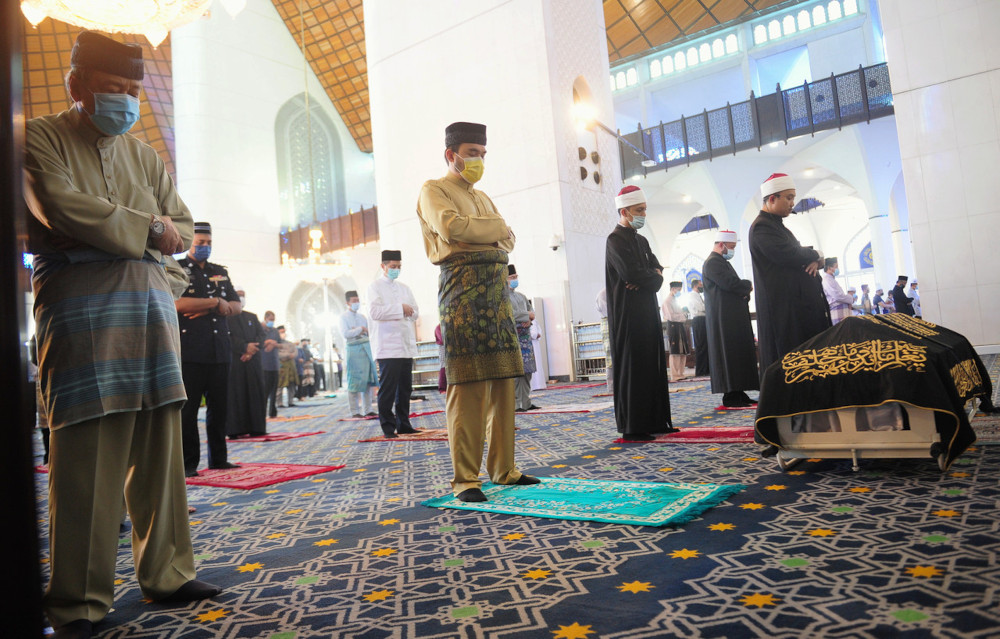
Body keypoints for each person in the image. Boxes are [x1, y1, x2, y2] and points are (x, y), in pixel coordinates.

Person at [24, 31, 219, 637]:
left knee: (160, 449)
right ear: (77, 87)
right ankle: (79, 601)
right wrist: (149, 231)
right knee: (87, 457)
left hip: (150, 310)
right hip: (81, 310)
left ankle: (167, 572)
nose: (127, 102)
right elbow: (62, 206)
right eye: (114, 90)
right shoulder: (39, 137)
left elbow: (181, 229)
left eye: (134, 91)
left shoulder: (146, 156)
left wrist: (160, 262)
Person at [416, 121, 539, 502]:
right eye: (472, 153)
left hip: (497, 296)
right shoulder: (433, 190)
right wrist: (495, 228)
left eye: (483, 154)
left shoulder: (484, 198)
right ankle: (465, 479)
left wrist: (487, 228)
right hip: (462, 297)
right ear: (451, 155)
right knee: (467, 388)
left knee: (503, 384)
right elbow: (451, 228)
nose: (479, 160)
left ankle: (503, 469)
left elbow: (510, 240)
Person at [605, 185, 676, 441]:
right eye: (639, 210)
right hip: (628, 315)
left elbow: (656, 269)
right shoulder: (615, 240)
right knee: (635, 367)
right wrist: (648, 276)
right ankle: (633, 427)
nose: (643, 214)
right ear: (624, 211)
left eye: (644, 209)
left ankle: (656, 420)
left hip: (647, 310)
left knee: (652, 364)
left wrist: (651, 277)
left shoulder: (641, 240)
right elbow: (630, 273)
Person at [176, 221, 242, 477]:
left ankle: (219, 459)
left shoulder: (219, 271)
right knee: (189, 411)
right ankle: (188, 463)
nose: (205, 247)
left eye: (209, 243)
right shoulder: (178, 268)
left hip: (219, 350)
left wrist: (206, 306)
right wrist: (215, 302)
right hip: (191, 351)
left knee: (220, 408)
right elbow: (179, 304)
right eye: (200, 243)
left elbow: (236, 306)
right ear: (189, 242)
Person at [748, 173, 831, 376]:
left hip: (795, 308)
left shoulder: (777, 226)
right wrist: (817, 254)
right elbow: (790, 254)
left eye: (793, 197)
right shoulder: (761, 227)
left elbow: (798, 254)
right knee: (788, 363)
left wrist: (813, 259)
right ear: (772, 198)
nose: (792, 203)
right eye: (788, 197)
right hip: (782, 311)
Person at [367, 249, 421, 438]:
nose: (396, 270)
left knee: (405, 389)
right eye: (392, 267)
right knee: (388, 390)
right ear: (383, 266)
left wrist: (408, 310)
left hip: (405, 345)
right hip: (387, 346)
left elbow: (415, 312)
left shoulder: (405, 288)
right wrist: (400, 309)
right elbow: (375, 313)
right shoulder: (374, 287)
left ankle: (404, 424)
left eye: (398, 267)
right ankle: (388, 427)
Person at [702, 230, 759, 408]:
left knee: (737, 355)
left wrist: (743, 290)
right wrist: (747, 285)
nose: (732, 251)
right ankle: (731, 395)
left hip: (731, 317)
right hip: (723, 319)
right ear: (721, 245)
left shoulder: (721, 262)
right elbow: (730, 284)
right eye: (731, 247)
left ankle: (739, 392)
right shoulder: (713, 263)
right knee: (729, 355)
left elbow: (733, 286)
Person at [226, 287, 267, 439]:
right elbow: (228, 338)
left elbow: (261, 336)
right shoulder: (225, 318)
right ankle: (236, 429)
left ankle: (257, 427)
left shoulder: (252, 317)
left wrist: (251, 350)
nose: (241, 298)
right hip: (236, 363)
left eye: (243, 295)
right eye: (238, 296)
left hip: (253, 362)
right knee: (236, 395)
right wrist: (244, 348)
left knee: (256, 394)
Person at [339, 290, 378, 417]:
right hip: (353, 351)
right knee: (354, 381)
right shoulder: (343, 317)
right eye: (354, 301)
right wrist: (360, 329)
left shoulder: (362, 317)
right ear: (348, 303)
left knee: (367, 380)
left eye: (358, 300)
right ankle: (354, 411)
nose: (357, 303)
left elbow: (369, 332)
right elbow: (346, 334)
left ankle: (368, 409)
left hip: (366, 349)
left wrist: (357, 331)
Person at [508, 264, 539, 411]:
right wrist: (527, 316)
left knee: (527, 372)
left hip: (525, 339)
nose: (514, 280)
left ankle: (526, 403)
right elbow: (511, 314)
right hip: (513, 340)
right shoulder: (503, 297)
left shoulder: (521, 296)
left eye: (516, 277)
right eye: (512, 278)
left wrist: (529, 317)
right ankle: (516, 404)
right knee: (516, 373)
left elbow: (530, 310)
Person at [662, 281, 690, 381]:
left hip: (680, 326)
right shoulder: (667, 301)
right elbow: (671, 316)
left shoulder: (676, 300)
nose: (679, 292)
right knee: (675, 351)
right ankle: (674, 375)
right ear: (673, 289)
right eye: (678, 290)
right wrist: (683, 316)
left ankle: (681, 373)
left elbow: (682, 313)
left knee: (683, 351)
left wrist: (684, 314)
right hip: (674, 327)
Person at [821, 257, 856, 325]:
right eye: (836, 266)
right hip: (837, 310)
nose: (837, 269)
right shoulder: (827, 279)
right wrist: (850, 298)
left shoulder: (831, 279)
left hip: (841, 310)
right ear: (829, 267)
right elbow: (837, 296)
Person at [686, 278, 710, 377]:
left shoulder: (698, 295)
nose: (702, 287)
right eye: (701, 285)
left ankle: (706, 369)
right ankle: (701, 370)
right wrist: (709, 306)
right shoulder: (692, 295)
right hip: (699, 320)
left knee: (706, 345)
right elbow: (700, 308)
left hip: (703, 320)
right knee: (701, 346)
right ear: (696, 286)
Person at [261, 311, 280, 418]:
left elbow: (280, 344)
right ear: (265, 318)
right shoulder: (259, 329)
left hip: (275, 364)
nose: (272, 322)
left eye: (273, 320)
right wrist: (267, 342)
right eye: (270, 320)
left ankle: (273, 412)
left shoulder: (275, 331)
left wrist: (274, 344)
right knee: (265, 391)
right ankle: (262, 412)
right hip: (264, 365)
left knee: (274, 390)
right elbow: (258, 343)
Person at [275, 325, 299, 406]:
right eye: (281, 332)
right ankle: (279, 403)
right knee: (280, 385)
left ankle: (290, 401)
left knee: (292, 385)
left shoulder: (290, 344)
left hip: (291, 367)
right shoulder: (275, 344)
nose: (283, 334)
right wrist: (288, 355)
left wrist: (289, 355)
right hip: (281, 367)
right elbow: (277, 354)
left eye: (284, 332)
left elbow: (295, 352)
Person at [596, 288, 613, 393]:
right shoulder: (603, 293)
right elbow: (608, 312)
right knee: (610, 356)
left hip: (615, 323)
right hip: (608, 323)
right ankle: (612, 388)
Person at [434, 324, 447, 393]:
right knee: (443, 367)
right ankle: (442, 388)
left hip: (451, 348)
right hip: (443, 348)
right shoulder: (438, 327)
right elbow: (442, 340)